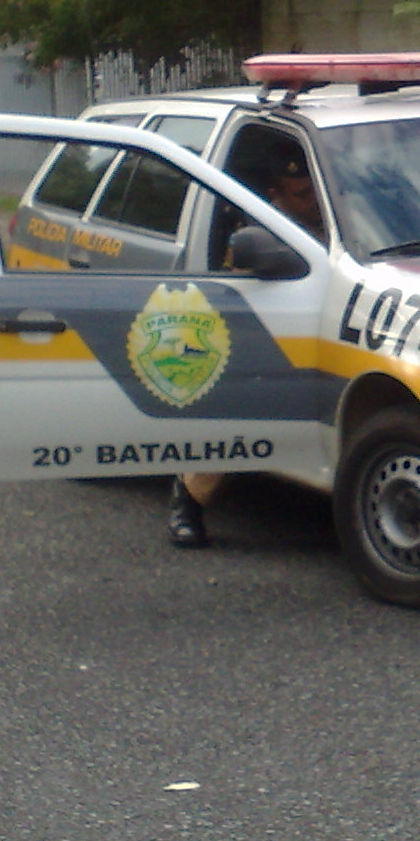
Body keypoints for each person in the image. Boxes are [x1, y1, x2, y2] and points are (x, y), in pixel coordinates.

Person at [168, 139, 327, 551]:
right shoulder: (254, 233)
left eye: (315, 190)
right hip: (266, 342)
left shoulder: (334, 224)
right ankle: (187, 502)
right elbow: (234, 297)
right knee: (232, 412)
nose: (313, 201)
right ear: (275, 196)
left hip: (325, 339)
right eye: (302, 194)